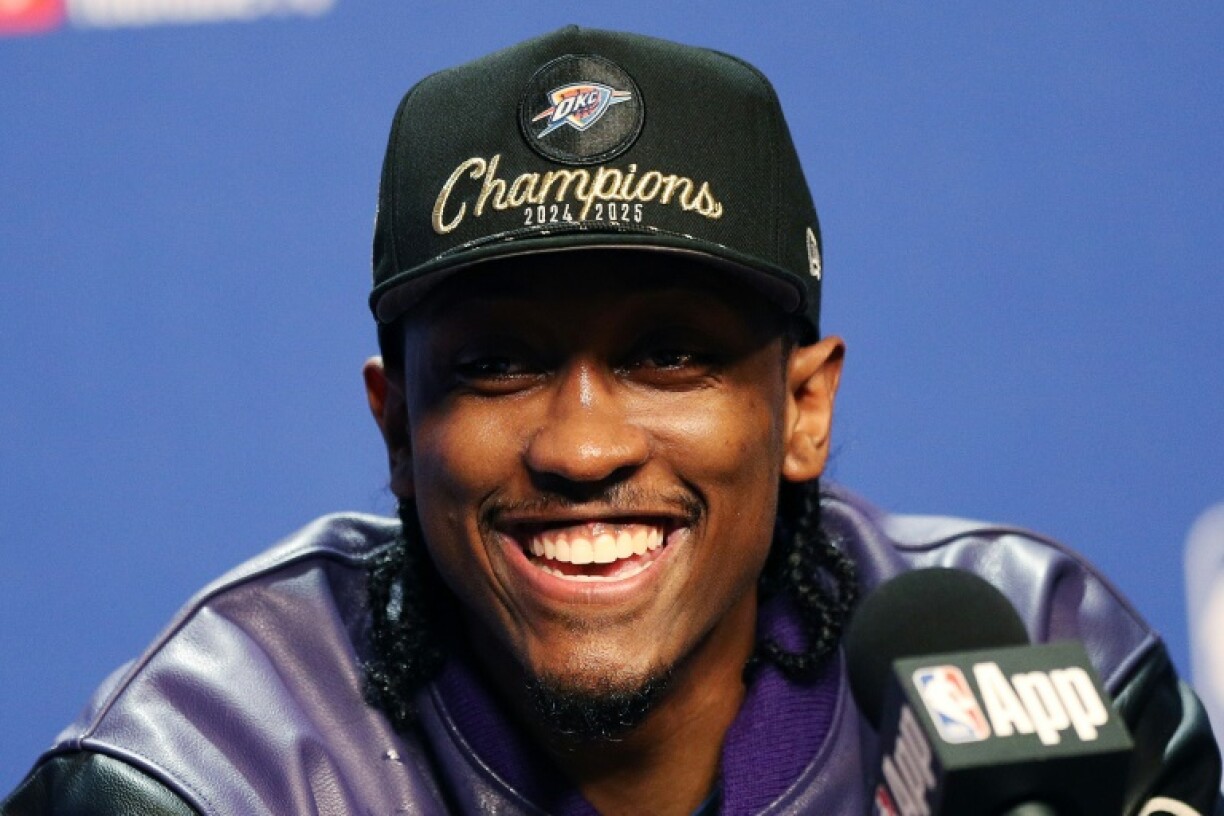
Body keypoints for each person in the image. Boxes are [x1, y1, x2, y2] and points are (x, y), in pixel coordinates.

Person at [3, 26, 1219, 816]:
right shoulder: (212, 775)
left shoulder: (1043, 661)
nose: (582, 446)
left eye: (669, 353)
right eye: (495, 364)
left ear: (803, 406)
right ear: (394, 428)